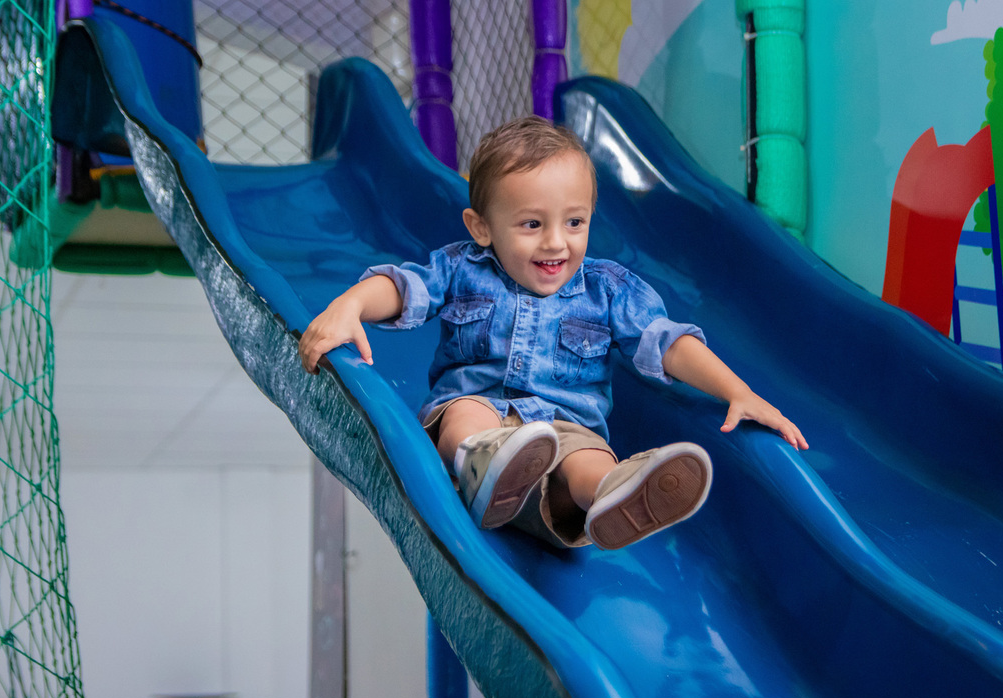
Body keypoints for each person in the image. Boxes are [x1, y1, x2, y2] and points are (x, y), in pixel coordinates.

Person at [299, 116, 807, 550]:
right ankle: (484, 464)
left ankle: (611, 495)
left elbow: (666, 342)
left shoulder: (607, 289)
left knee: (587, 457)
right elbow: (405, 288)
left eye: (575, 222)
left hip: (565, 429)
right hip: (477, 409)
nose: (556, 243)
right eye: (531, 224)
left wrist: (736, 392)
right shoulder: (462, 268)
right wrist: (352, 305)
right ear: (482, 227)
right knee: (464, 417)